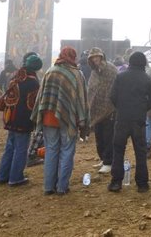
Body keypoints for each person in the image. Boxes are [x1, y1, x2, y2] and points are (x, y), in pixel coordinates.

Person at [31, 46, 89, 195]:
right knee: (67, 151)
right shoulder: (77, 74)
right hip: (68, 120)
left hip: (49, 118)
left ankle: (48, 187)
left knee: (51, 151)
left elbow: (41, 97)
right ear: (73, 57)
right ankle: (62, 187)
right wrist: (82, 120)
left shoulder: (50, 72)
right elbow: (82, 99)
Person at [107, 52, 151, 193]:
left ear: (130, 62)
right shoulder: (147, 79)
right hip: (138, 120)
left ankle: (116, 182)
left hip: (122, 118)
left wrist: (121, 107)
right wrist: (143, 108)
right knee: (140, 152)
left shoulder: (120, 76)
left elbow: (112, 96)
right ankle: (142, 184)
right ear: (143, 62)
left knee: (118, 151)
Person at [0, 54, 43, 186]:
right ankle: (16, 177)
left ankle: (2, 175)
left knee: (9, 147)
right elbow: (33, 104)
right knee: (21, 149)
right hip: (23, 120)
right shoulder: (33, 82)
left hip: (10, 117)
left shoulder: (15, 76)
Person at [87, 47, 118, 174]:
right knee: (99, 136)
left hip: (110, 108)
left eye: (97, 57)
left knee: (108, 136)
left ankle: (108, 162)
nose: (95, 59)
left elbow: (115, 87)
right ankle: (103, 158)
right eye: (93, 57)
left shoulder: (111, 69)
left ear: (102, 56)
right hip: (96, 109)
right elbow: (92, 88)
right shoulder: (94, 72)